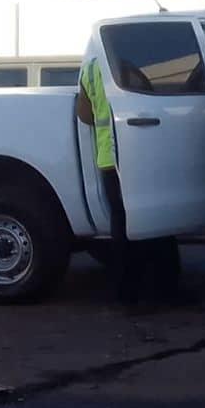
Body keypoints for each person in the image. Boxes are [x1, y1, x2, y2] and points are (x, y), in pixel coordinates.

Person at [76, 57, 145, 302]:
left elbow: (84, 114)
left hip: (108, 157)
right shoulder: (126, 59)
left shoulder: (91, 68)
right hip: (134, 154)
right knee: (148, 221)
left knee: (121, 225)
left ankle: (124, 289)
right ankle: (150, 285)